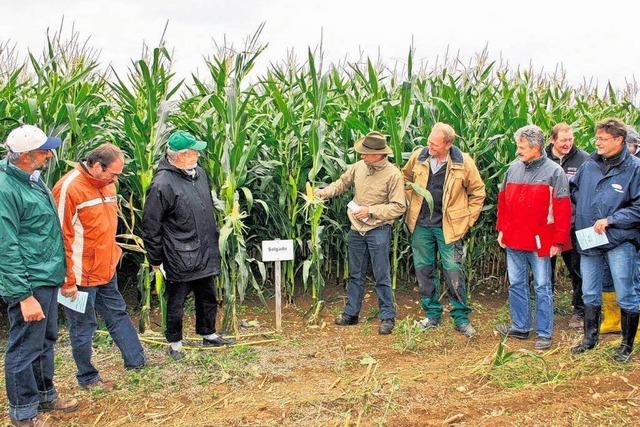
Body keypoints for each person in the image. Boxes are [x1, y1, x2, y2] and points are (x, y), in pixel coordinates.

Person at [0, 124, 78, 426]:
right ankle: (23, 413)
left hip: (45, 276)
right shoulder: (6, 188)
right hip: (30, 281)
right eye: (43, 151)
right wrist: (23, 296)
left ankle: (44, 394)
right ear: (24, 156)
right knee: (25, 346)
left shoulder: (31, 179)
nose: (49, 155)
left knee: (44, 339)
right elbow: (6, 247)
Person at [52, 143, 146, 390]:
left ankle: (137, 362)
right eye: (112, 173)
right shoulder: (69, 188)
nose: (115, 179)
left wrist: (113, 257)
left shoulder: (108, 184)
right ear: (96, 165)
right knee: (83, 327)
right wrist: (67, 280)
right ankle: (88, 378)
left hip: (106, 268)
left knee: (118, 313)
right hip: (81, 276)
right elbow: (60, 238)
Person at [142, 131, 233, 360]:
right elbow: (151, 226)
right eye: (193, 151)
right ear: (180, 156)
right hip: (179, 255)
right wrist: (156, 260)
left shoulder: (199, 174)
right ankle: (175, 343)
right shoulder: (162, 184)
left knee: (208, 295)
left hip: (205, 250)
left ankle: (208, 333)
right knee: (176, 301)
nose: (198, 154)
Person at [316, 131, 406, 335]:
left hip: (378, 230)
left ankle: (387, 317)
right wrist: (323, 192)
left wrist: (371, 211)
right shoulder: (358, 167)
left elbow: (399, 207)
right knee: (355, 274)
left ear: (378, 154)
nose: (362, 156)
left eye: (365, 153)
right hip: (357, 229)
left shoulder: (393, 175)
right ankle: (351, 313)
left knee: (381, 274)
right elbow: (342, 183)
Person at [402, 123, 486, 337]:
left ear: (448, 144)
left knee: (453, 271)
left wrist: (467, 221)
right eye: (429, 141)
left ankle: (460, 317)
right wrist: (410, 201)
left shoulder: (463, 163)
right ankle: (432, 314)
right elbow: (404, 180)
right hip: (421, 226)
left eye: (434, 143)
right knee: (423, 270)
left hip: (449, 227)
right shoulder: (419, 157)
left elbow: (478, 192)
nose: (429, 145)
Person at [495, 125, 572, 351]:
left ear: (536, 148)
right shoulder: (513, 169)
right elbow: (503, 203)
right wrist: (502, 230)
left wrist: (558, 241)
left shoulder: (554, 172)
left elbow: (562, 209)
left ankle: (544, 333)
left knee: (542, 286)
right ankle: (520, 326)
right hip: (514, 239)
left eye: (522, 147)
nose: (518, 151)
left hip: (541, 242)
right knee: (517, 283)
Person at [570, 118, 640, 362]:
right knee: (589, 291)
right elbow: (575, 190)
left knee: (625, 292)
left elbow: (638, 207)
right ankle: (590, 339)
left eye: (602, 139)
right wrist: (585, 215)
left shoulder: (635, 168)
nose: (597, 143)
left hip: (619, 239)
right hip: (589, 237)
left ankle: (626, 345)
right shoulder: (589, 164)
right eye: (596, 138)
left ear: (619, 140)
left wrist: (612, 219)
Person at [545, 123, 589, 328]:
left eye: (571, 140)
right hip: (545, 225)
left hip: (572, 225)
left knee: (577, 269)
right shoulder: (541, 157)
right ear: (553, 139)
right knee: (545, 270)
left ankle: (579, 311)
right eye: (563, 140)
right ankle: (545, 311)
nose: (568, 144)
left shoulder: (584, 159)